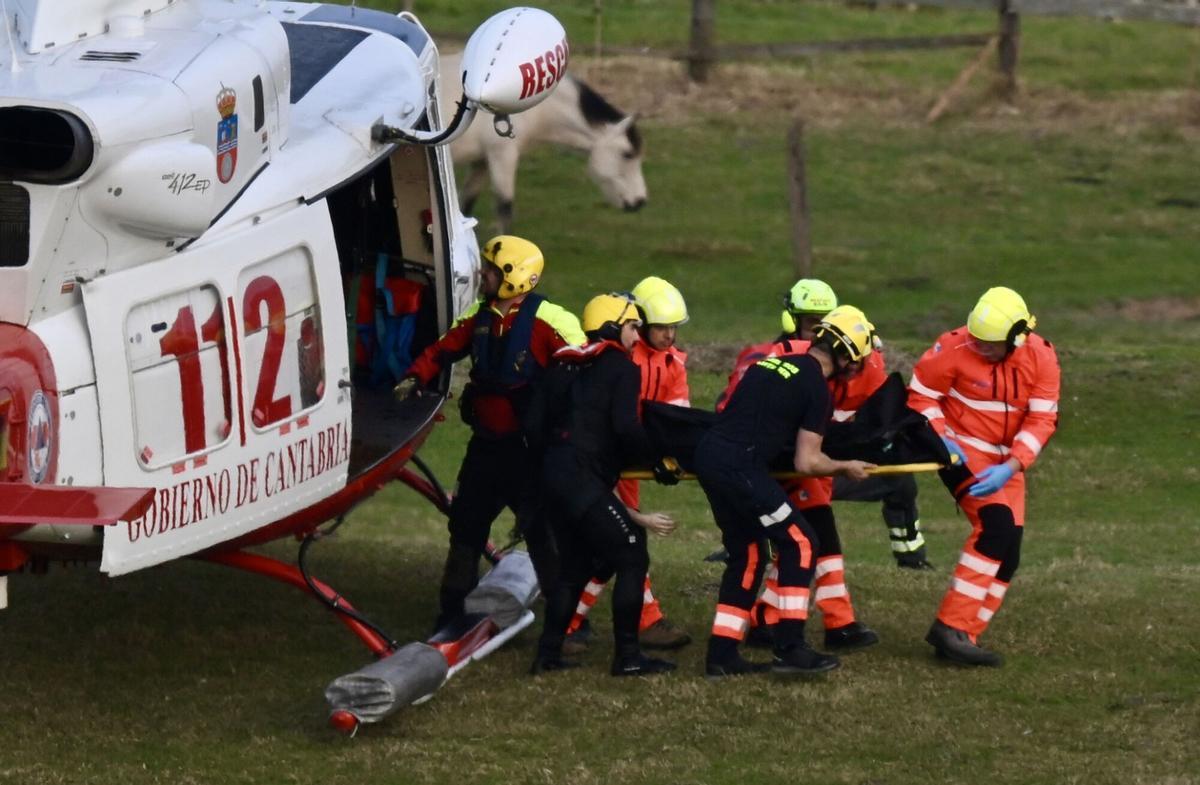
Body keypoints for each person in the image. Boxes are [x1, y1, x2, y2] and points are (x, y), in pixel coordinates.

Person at [395, 235, 586, 630]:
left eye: (491, 270)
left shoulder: (551, 320)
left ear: (515, 276)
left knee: (541, 533)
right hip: (485, 449)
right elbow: (443, 350)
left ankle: (569, 624)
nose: (482, 275)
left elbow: (586, 367)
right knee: (465, 528)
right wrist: (415, 377)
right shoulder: (478, 316)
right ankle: (451, 614)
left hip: (529, 453)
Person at [696, 306, 877, 677]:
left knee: (747, 555)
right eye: (855, 361)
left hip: (710, 460)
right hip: (741, 468)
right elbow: (807, 462)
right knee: (803, 543)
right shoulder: (816, 386)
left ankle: (722, 655)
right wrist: (845, 466)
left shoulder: (769, 364)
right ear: (844, 356)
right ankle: (791, 648)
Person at [717, 279, 932, 569]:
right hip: (788, 463)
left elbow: (884, 416)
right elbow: (728, 414)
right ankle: (751, 545)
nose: (820, 332)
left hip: (829, 462)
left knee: (901, 479)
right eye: (811, 322)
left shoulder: (864, 365)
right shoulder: (771, 358)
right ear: (791, 321)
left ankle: (911, 555)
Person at [529, 292, 682, 677]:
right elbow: (626, 427)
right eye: (633, 326)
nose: (637, 334)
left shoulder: (562, 363)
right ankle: (628, 657)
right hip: (583, 476)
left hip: (551, 475)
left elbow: (532, 425)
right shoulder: (621, 367)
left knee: (575, 566)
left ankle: (547, 654)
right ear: (615, 326)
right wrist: (656, 461)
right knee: (631, 551)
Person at [908, 286, 1060, 666]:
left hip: (1007, 461)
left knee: (1008, 555)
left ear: (1017, 338)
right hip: (962, 451)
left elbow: (1042, 419)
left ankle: (965, 637)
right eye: (975, 340)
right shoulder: (952, 347)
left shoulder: (1042, 357)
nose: (978, 348)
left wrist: (1013, 465)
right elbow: (920, 397)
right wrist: (944, 441)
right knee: (996, 528)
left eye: (988, 344)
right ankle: (949, 627)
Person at [564, 276, 691, 652]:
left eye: (674, 328)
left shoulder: (673, 364)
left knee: (614, 546)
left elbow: (677, 414)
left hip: (630, 460)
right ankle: (626, 624)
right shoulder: (619, 360)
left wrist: (668, 456)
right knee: (622, 542)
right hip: (602, 460)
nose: (669, 335)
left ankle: (572, 622)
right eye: (661, 327)